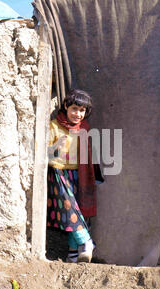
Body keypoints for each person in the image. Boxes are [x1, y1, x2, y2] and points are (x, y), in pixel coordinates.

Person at [47, 88, 99, 263]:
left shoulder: (83, 128)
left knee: (78, 212)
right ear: (65, 107)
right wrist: (57, 147)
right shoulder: (54, 125)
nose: (78, 114)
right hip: (59, 173)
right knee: (69, 209)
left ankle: (72, 254)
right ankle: (86, 242)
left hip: (79, 174)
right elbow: (47, 154)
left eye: (82, 110)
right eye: (74, 109)